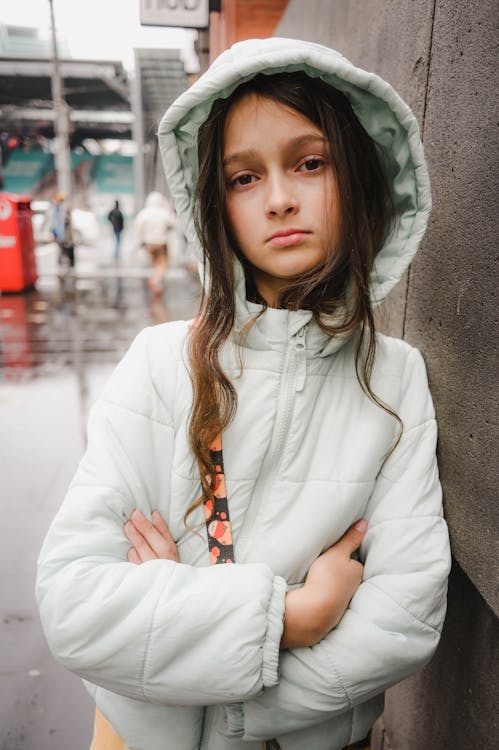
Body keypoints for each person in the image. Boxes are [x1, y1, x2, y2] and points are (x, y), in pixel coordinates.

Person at [36, 38, 451, 750]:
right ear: (214, 203)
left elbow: (403, 618)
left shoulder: (394, 377)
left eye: (309, 162)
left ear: (358, 177)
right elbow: (75, 603)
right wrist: (296, 616)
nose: (280, 198)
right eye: (242, 177)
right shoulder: (161, 362)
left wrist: (208, 674)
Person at [134, 191, 175, 295]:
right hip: (161, 242)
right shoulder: (164, 212)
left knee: (156, 263)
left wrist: (142, 239)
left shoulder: (144, 213)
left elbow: (138, 227)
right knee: (163, 264)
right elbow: (173, 224)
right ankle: (155, 280)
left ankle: (158, 285)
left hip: (149, 243)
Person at [49, 192, 74, 268]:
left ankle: (66, 261)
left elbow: (65, 221)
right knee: (61, 247)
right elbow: (54, 222)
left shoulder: (63, 208)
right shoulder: (55, 208)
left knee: (66, 246)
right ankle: (61, 261)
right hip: (59, 232)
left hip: (64, 232)